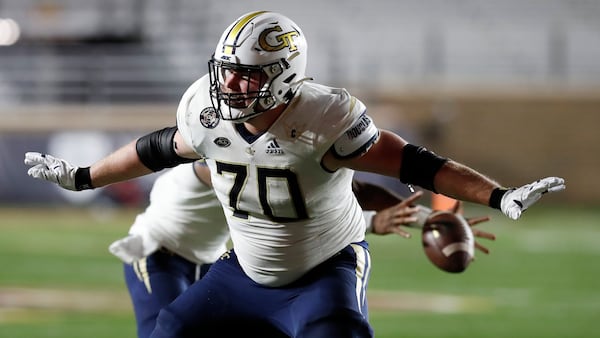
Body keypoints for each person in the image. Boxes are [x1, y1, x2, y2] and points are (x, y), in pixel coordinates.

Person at [24, 10, 564, 338]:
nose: (230, 85)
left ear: (284, 78)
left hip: (321, 273)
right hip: (229, 266)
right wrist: (82, 177)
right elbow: (156, 149)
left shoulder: (326, 119)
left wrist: (496, 195)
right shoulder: (208, 124)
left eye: (246, 76)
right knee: (173, 330)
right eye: (227, 72)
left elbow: (413, 163)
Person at [111, 160, 493, 338]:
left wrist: (424, 215)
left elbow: (343, 192)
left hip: (215, 258)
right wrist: (374, 222)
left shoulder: (265, 153)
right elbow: (290, 217)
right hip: (159, 250)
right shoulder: (224, 160)